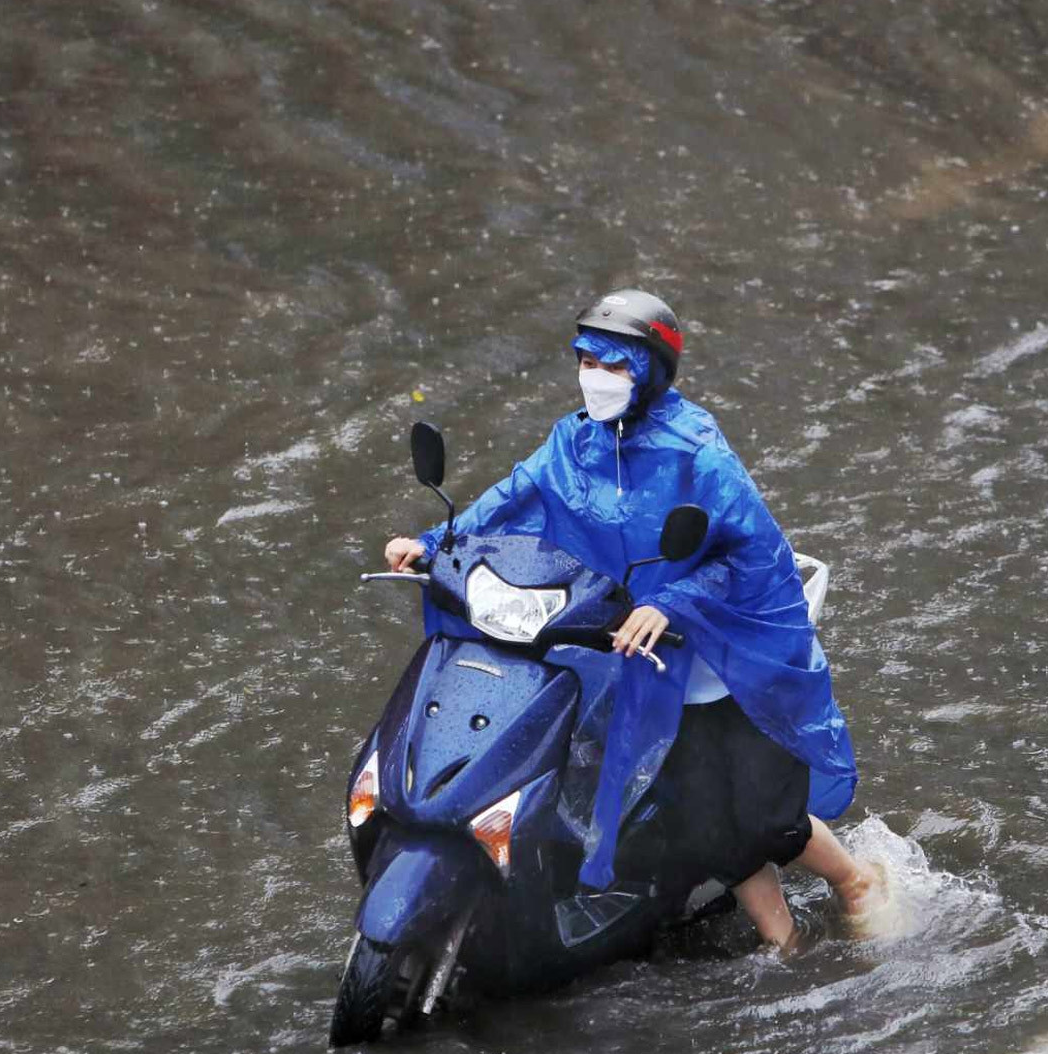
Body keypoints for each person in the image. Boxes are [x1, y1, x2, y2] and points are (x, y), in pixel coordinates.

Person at [383, 289, 895, 952]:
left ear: (649, 371)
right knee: (700, 818)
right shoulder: (576, 440)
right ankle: (785, 944)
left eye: (613, 364)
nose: (594, 376)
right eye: (586, 359)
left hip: (715, 650)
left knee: (762, 816)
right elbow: (515, 494)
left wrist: (669, 601)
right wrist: (432, 542)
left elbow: (753, 553)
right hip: (631, 644)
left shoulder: (697, 452)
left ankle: (855, 881)